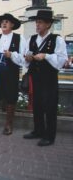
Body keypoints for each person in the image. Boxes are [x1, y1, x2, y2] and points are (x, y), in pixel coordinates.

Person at [23, 10, 68, 146]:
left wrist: (46, 56)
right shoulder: (31, 39)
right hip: (35, 77)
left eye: (40, 22)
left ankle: (49, 136)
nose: (37, 24)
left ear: (48, 24)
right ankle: (38, 130)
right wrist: (28, 58)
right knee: (37, 105)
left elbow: (61, 61)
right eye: (36, 22)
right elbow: (25, 59)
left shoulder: (57, 39)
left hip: (49, 79)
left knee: (49, 106)